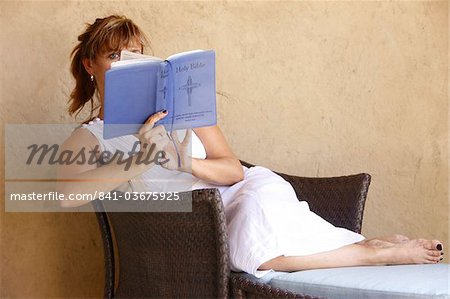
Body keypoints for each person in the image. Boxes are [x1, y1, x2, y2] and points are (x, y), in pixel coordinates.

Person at [58, 15, 444, 278]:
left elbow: (234, 171)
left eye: (137, 53)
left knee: (256, 202)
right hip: (192, 228)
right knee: (244, 238)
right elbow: (64, 196)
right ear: (91, 65)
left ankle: (367, 250)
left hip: (240, 192)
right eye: (115, 55)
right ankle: (368, 252)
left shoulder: (181, 108)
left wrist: (184, 162)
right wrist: (140, 158)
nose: (129, 61)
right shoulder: (90, 136)